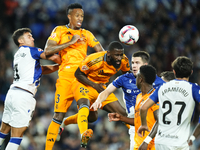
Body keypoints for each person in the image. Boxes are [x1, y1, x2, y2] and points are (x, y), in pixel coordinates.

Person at [44, 3, 104, 150]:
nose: (80, 18)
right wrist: (70, 42)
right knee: (57, 115)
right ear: (69, 16)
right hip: (65, 76)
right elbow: (47, 51)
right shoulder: (59, 30)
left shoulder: (87, 34)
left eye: (82, 16)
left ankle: (69, 123)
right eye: (77, 15)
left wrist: (93, 63)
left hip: (82, 76)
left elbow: (101, 52)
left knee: (93, 115)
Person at [58, 41, 130, 148]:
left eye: (121, 54)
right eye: (117, 55)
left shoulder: (124, 60)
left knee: (97, 117)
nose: (120, 58)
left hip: (101, 88)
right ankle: (83, 134)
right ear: (109, 54)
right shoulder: (93, 60)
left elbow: (127, 76)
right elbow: (78, 74)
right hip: (83, 83)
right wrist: (94, 85)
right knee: (84, 105)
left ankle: (140, 134)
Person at [0, 28, 61, 150]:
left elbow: (41, 69)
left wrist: (58, 67)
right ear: (21, 40)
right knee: (17, 136)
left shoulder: (18, 54)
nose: (32, 38)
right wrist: (64, 58)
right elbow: (53, 57)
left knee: (3, 130)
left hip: (12, 94)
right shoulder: (31, 51)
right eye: (29, 36)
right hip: (23, 96)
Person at [90, 51, 164, 150]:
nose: (133, 65)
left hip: (154, 122)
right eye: (132, 62)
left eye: (137, 63)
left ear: (145, 65)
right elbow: (106, 91)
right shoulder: (124, 79)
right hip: (135, 123)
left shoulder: (159, 82)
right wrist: (98, 101)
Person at [138, 56, 200, 150]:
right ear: (191, 72)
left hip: (161, 142)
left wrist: (143, 125)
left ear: (174, 72)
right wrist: (194, 136)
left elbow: (143, 108)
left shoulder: (162, 88)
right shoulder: (193, 88)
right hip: (180, 143)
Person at [108, 65, 159, 150]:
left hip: (151, 146)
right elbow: (138, 122)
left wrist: (146, 141)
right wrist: (121, 118)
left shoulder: (154, 97)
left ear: (140, 79)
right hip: (138, 145)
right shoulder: (139, 96)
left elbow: (160, 121)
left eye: (137, 76)